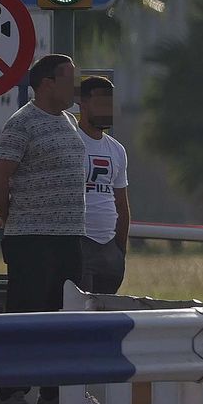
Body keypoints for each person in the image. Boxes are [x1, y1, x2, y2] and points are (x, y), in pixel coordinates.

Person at [0, 55, 87, 404]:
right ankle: (10, 396)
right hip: (32, 239)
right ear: (47, 83)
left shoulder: (69, 121)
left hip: (68, 237)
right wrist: (13, 218)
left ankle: (53, 396)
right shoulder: (22, 123)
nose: (75, 88)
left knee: (63, 319)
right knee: (27, 318)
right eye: (69, 79)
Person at [77, 76, 129, 295]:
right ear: (82, 103)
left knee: (105, 317)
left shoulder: (117, 150)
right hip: (79, 242)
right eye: (101, 103)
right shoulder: (70, 142)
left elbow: (122, 204)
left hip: (109, 247)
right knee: (80, 316)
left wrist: (120, 249)